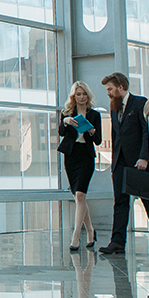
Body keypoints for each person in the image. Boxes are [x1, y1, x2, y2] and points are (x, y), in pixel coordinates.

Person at [98, 72, 149, 255]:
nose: (108, 93)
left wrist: (144, 157)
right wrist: (114, 164)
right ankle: (117, 242)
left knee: (147, 202)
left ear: (121, 87)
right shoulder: (114, 108)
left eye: (110, 89)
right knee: (120, 203)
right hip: (120, 163)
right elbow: (116, 136)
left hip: (138, 162)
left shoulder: (139, 103)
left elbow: (147, 132)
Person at [59, 81, 102, 251]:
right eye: (78, 94)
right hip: (71, 156)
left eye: (84, 94)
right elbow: (61, 133)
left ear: (88, 95)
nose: (82, 97)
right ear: (74, 96)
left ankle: (76, 235)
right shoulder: (67, 113)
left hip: (86, 155)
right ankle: (91, 231)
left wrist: (92, 132)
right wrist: (66, 122)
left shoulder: (95, 115)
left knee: (80, 195)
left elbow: (98, 140)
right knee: (79, 198)